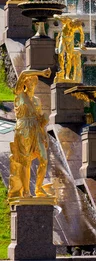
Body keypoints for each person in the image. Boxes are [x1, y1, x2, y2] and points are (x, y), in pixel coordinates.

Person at [8, 68, 53, 200]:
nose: (31, 85)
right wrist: (41, 73)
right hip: (23, 129)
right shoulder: (20, 95)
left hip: (36, 130)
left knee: (44, 159)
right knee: (25, 161)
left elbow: (39, 119)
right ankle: (26, 191)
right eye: (29, 82)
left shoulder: (37, 101)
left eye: (33, 83)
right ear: (24, 84)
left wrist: (44, 128)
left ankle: (38, 188)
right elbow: (22, 74)